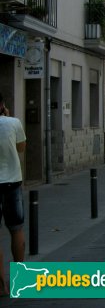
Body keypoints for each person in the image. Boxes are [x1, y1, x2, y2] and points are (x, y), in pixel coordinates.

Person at [0, 94, 26, 296]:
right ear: (2, 105)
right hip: (12, 183)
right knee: (16, 229)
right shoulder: (13, 122)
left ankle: (1, 286)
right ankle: (20, 281)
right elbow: (21, 148)